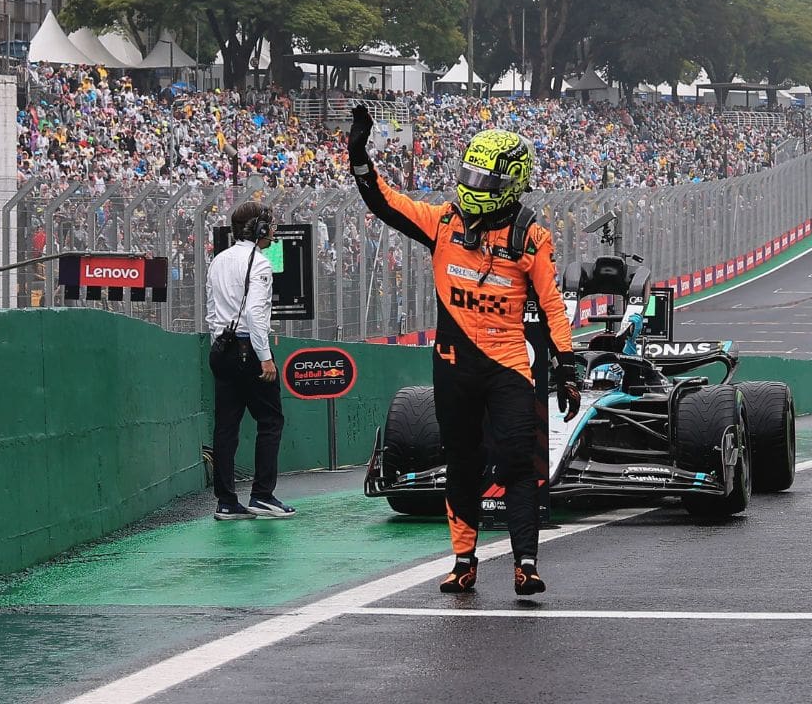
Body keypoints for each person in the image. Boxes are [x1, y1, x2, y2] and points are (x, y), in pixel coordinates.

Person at [346, 104, 578, 595]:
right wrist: (359, 155)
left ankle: (526, 564)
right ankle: (463, 561)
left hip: (509, 366)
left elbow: (553, 305)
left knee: (518, 462)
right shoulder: (443, 221)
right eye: (468, 172)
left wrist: (567, 365)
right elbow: (387, 204)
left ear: (511, 182)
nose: (472, 183)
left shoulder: (531, 236)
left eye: (483, 176)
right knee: (463, 464)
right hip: (453, 366)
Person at [204, 201, 293, 521]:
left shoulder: (218, 260)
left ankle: (226, 501)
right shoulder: (260, 263)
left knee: (226, 427)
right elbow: (256, 314)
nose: (272, 230)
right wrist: (265, 358)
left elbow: (212, 312)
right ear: (257, 229)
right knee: (270, 421)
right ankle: (262, 495)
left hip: (221, 349)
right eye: (269, 224)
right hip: (249, 350)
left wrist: (218, 344)